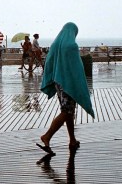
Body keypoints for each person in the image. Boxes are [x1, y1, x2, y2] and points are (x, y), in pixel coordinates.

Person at [36, 23, 94, 154]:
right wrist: (79, 85)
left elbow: (49, 62)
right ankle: (47, 136)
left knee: (68, 111)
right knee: (66, 111)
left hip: (58, 81)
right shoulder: (72, 46)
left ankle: (72, 140)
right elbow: (77, 68)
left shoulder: (55, 44)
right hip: (69, 83)